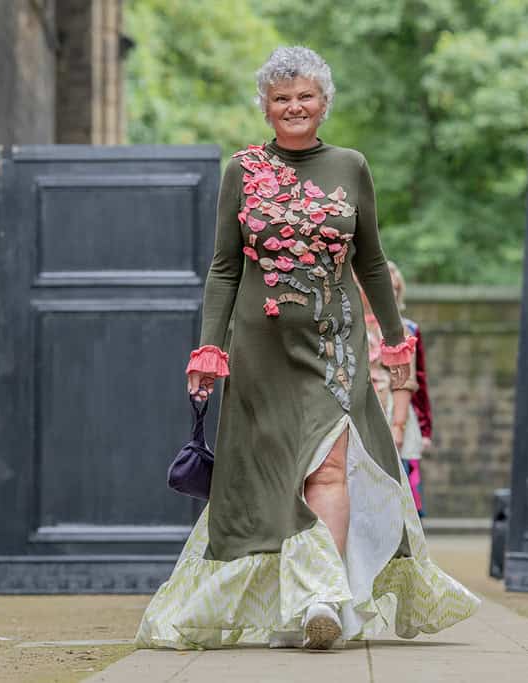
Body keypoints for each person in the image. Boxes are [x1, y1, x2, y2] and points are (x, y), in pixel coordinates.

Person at [136, 47, 478, 651]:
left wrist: (396, 342)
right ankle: (292, 610)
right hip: (260, 351)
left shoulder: (351, 165)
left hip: (334, 343)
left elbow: (371, 261)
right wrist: (208, 351)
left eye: (306, 96)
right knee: (275, 478)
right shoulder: (241, 171)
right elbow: (222, 268)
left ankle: (323, 598)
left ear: (324, 103)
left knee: (326, 465)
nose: (294, 106)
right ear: (266, 108)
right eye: (281, 97)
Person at [386, 261, 431, 515]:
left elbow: (420, 379)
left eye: (395, 288)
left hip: (402, 411)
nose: (391, 292)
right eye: (387, 287)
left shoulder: (410, 329)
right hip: (375, 403)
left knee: (406, 473)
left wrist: (426, 428)